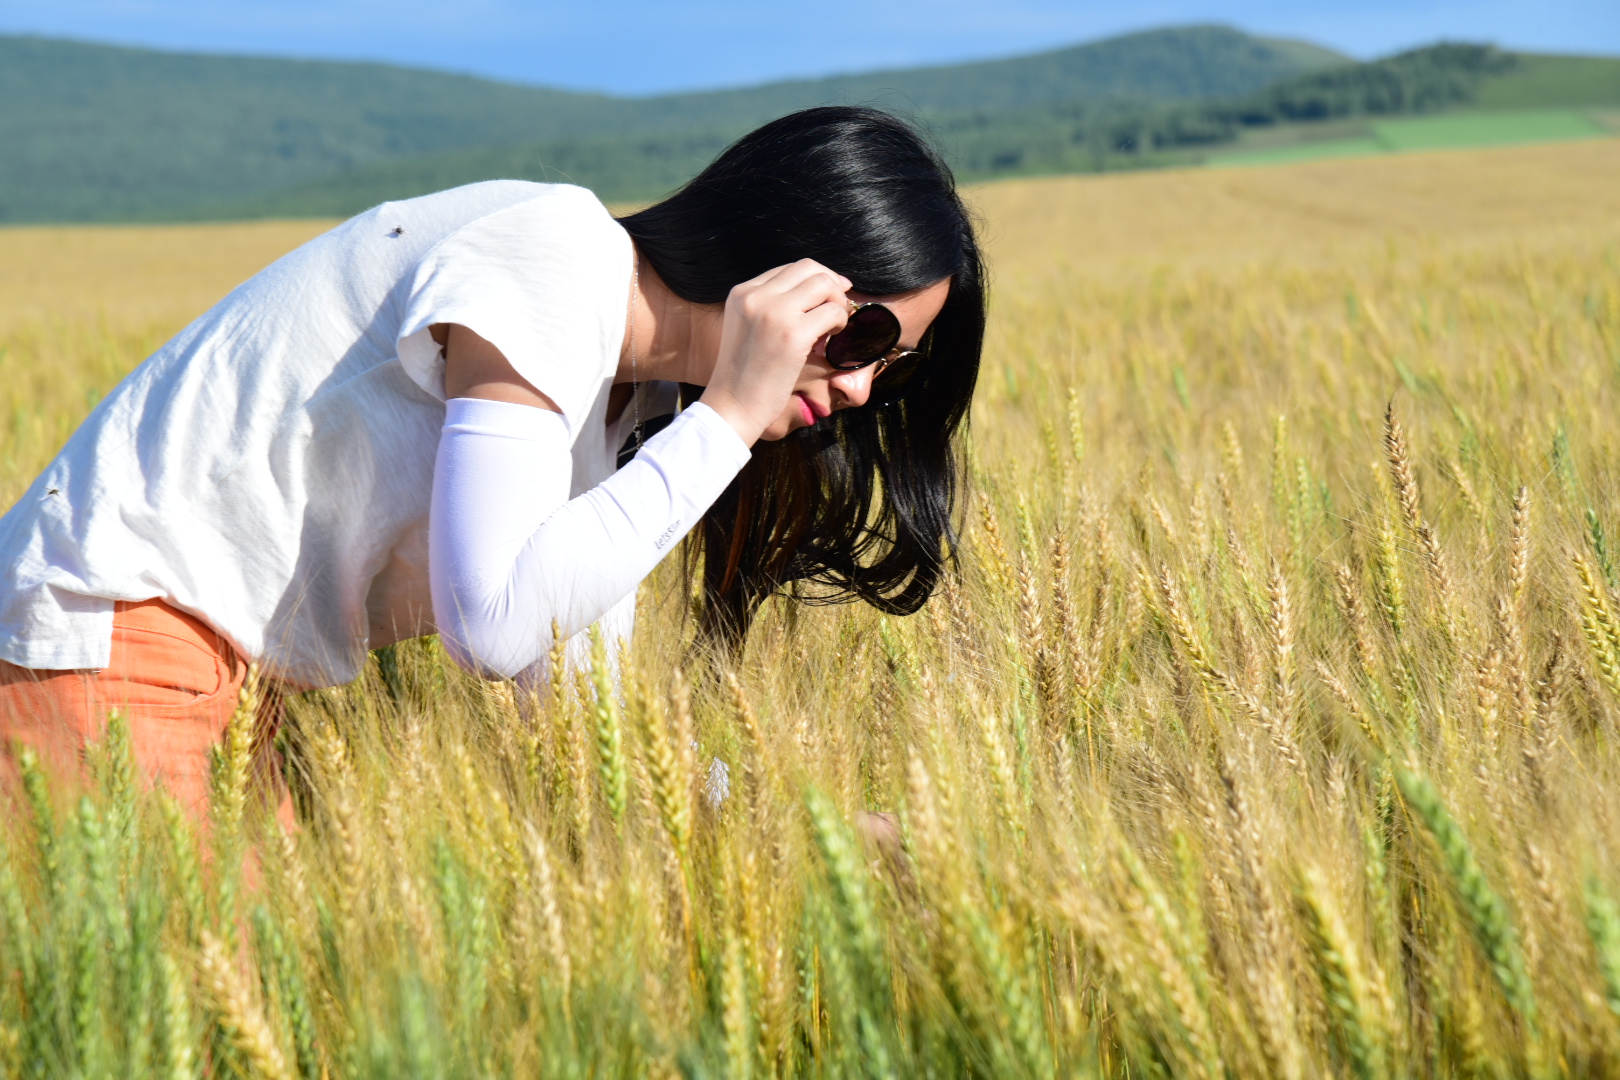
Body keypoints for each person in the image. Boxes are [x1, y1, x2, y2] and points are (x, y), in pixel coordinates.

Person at [0, 105, 986, 813]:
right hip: (112, 630)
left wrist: (795, 826)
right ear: (779, 267)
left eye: (888, 373)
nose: (858, 391)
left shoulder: (617, 413)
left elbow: (580, 720)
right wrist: (728, 416)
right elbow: (493, 626)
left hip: (233, 677)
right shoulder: (554, 258)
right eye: (862, 339)